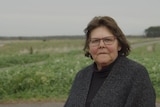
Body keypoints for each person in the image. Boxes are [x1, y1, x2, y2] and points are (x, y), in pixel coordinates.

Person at [64, 16, 156, 107]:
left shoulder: (136, 74)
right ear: (89, 47)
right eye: (95, 41)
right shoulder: (81, 76)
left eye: (108, 40)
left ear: (119, 45)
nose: (101, 45)